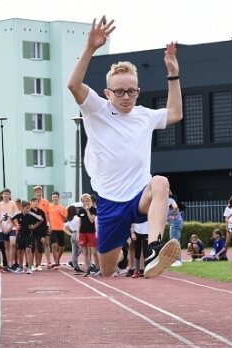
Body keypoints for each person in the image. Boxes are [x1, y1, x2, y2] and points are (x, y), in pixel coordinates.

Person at [67, 17, 183, 278]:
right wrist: (90, 48)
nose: (126, 97)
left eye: (131, 91)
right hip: (109, 202)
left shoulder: (145, 115)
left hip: (137, 195)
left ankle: (154, 247)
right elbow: (73, 85)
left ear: (138, 91)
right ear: (108, 93)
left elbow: (175, 113)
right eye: (119, 92)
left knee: (161, 182)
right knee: (108, 271)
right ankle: (118, 251)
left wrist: (173, 72)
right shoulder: (96, 109)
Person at [0, 189, 19, 272]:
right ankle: (9, 264)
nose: (6, 195)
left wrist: (10, 227)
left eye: (8, 194)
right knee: (7, 246)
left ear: (10, 195)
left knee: (13, 243)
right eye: (5, 194)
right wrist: (2, 227)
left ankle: (11, 263)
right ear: (2, 195)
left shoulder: (13, 204)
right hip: (3, 228)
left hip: (12, 227)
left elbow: (16, 216)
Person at [46, 191, 68, 268]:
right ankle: (55, 262)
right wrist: (49, 226)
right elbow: (47, 217)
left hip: (60, 229)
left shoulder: (62, 207)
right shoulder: (49, 207)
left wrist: (61, 213)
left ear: (58, 198)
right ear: (52, 198)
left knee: (62, 247)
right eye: (53, 197)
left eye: (56, 197)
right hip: (53, 229)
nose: (55, 198)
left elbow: (66, 218)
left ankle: (57, 260)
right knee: (54, 245)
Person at [168, 192, 184, 267]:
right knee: (175, 241)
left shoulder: (170, 199)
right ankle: (176, 259)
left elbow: (175, 207)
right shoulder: (170, 199)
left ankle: (177, 260)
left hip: (175, 222)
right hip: (176, 222)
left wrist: (173, 215)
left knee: (174, 241)